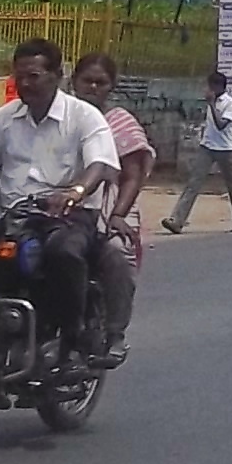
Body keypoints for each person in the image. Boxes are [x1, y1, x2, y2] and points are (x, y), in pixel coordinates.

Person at [0, 39, 120, 364]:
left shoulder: (84, 116)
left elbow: (99, 165)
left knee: (64, 252)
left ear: (57, 75)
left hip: (70, 216)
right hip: (13, 217)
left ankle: (72, 336)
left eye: (34, 76)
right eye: (20, 77)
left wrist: (75, 192)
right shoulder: (4, 118)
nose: (25, 84)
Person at [67, 53, 148, 365]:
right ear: (73, 82)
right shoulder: (61, 116)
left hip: (108, 204)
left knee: (115, 254)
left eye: (100, 82)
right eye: (86, 80)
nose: (92, 87)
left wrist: (118, 215)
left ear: (111, 87)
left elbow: (132, 175)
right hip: (57, 202)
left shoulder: (120, 122)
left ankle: (115, 333)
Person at [163, 69, 232, 234]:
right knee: (193, 184)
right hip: (207, 148)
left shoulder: (230, 103)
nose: (206, 90)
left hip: (225, 149)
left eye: (209, 87)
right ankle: (177, 220)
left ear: (216, 87)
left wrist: (211, 104)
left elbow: (221, 125)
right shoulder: (213, 102)